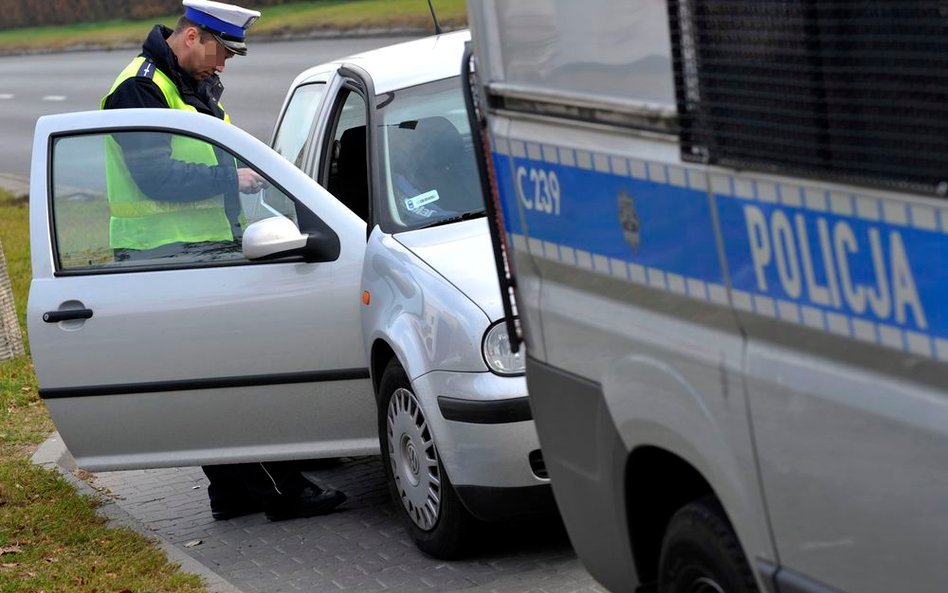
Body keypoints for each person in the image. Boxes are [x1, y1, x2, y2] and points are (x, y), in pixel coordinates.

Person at [100, 0, 346, 522]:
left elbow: (222, 151)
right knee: (226, 378)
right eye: (221, 53)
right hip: (163, 259)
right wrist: (229, 180)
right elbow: (156, 178)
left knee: (209, 378)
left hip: (202, 253)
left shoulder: (192, 86)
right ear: (192, 38)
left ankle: (231, 493)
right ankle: (281, 490)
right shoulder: (140, 88)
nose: (224, 65)